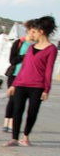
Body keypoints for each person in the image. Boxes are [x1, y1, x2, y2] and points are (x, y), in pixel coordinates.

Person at [5, 15, 57, 147]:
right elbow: (23, 69)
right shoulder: (30, 47)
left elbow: (49, 70)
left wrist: (46, 89)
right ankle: (14, 138)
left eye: (34, 31)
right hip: (21, 84)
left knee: (32, 112)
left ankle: (26, 137)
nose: (31, 33)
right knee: (17, 110)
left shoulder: (51, 49)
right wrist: (14, 84)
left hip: (37, 86)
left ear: (41, 31)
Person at [2, 20, 35, 132]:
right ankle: (6, 122)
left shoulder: (37, 46)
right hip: (15, 75)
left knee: (19, 101)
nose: (34, 34)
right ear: (28, 31)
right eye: (32, 31)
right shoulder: (19, 43)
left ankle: (12, 123)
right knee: (12, 99)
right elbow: (12, 60)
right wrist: (25, 56)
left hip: (27, 77)